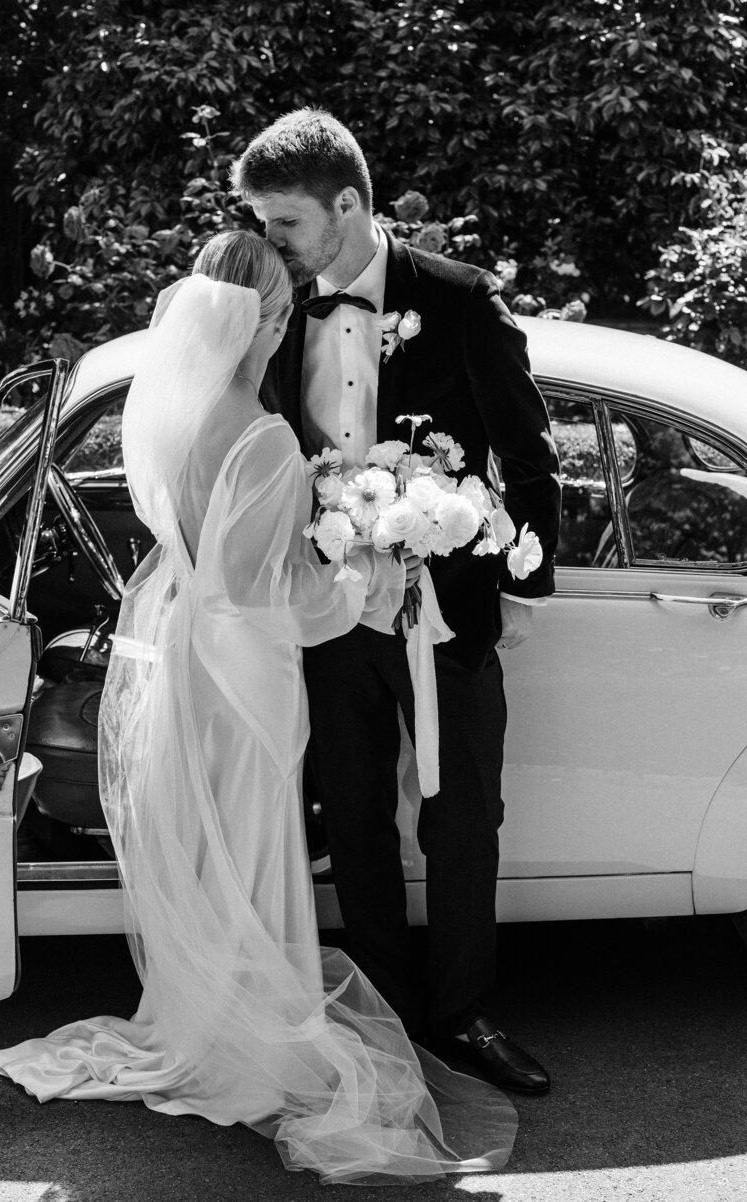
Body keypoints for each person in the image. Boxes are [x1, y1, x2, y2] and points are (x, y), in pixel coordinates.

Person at [0, 231, 518, 1183]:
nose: (285, 328)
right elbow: (266, 593)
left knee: (215, 843)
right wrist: (359, 573)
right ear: (252, 319)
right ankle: (239, 1038)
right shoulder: (263, 434)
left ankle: (205, 1013)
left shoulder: (182, 413)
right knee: (249, 836)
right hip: (247, 669)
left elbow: (208, 568)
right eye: (277, 313)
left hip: (192, 652)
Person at [231, 109, 562, 1094]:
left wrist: (520, 587)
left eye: (281, 221)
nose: (269, 241)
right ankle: (381, 1014)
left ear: (345, 204)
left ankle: (460, 1013)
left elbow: (530, 453)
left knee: (462, 818)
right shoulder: (276, 306)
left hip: (446, 606)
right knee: (354, 817)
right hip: (327, 619)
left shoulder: (458, 300)